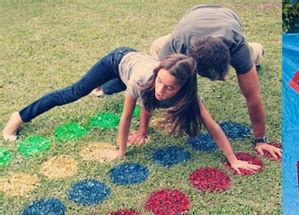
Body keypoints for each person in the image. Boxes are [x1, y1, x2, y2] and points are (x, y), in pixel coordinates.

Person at [2, 47, 260, 173]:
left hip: (132, 74)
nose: (162, 90)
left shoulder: (190, 97)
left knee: (119, 89)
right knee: (76, 91)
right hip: (119, 60)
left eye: (170, 88)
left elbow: (213, 128)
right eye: (160, 81)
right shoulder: (144, 81)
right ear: (157, 73)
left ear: (183, 88)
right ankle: (19, 116)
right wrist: (120, 151)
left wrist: (233, 158)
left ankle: (104, 88)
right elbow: (127, 117)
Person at [96, 5, 282, 160]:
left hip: (227, 18)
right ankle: (110, 84)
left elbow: (253, 97)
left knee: (251, 55)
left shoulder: (238, 47)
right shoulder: (177, 44)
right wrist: (142, 130)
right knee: (157, 59)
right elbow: (150, 89)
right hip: (192, 19)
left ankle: (257, 51)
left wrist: (260, 140)